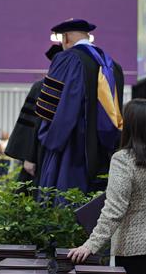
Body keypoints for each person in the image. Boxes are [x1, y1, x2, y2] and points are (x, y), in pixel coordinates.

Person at [68, 99, 146, 274]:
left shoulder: (123, 160)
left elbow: (114, 210)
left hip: (132, 250)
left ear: (130, 126)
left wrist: (90, 245)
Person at [37, 19, 124, 193]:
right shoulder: (114, 66)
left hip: (71, 149)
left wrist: (47, 137)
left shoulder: (66, 59)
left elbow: (52, 110)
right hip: (105, 150)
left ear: (66, 38)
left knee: (67, 199)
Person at [5, 44, 63, 185]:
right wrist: (28, 157)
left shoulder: (77, 87)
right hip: (40, 152)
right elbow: (29, 124)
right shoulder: (41, 87)